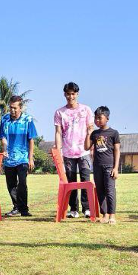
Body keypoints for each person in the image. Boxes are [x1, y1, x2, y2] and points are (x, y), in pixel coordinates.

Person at [54, 82, 94, 218]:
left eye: (73, 94)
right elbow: (58, 132)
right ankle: (73, 209)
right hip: (68, 151)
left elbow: (90, 130)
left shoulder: (86, 110)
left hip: (84, 151)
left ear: (77, 94)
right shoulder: (60, 112)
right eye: (68, 94)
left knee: (85, 179)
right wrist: (58, 150)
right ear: (64, 94)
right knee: (71, 181)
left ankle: (87, 208)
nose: (70, 96)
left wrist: (91, 147)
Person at [0, 96, 38, 217]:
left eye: (15, 108)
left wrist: (30, 158)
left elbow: (31, 139)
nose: (12, 110)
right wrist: (4, 149)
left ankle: (24, 209)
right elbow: (3, 137)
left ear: (20, 108)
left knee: (22, 183)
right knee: (11, 185)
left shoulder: (28, 120)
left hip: (23, 158)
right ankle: (16, 207)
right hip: (9, 159)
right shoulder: (4, 119)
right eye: (11, 108)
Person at [85, 106, 120, 224]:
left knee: (110, 191)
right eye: (96, 118)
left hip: (109, 167)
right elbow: (86, 147)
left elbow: (117, 151)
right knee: (100, 191)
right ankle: (104, 214)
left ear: (107, 118)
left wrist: (115, 168)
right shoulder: (95, 134)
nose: (97, 120)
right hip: (97, 167)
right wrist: (88, 133)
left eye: (100, 118)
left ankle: (112, 216)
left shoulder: (114, 133)